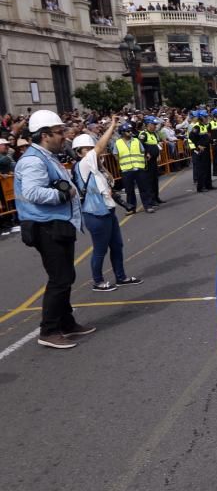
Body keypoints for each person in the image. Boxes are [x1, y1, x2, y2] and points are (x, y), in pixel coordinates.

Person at [14, 110, 95, 349]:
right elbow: (32, 192)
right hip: (45, 226)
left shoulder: (47, 156)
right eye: (59, 132)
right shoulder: (33, 160)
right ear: (45, 135)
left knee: (65, 276)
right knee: (60, 278)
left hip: (57, 223)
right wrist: (64, 193)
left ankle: (66, 323)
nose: (64, 136)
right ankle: (49, 330)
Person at [71, 121, 143, 292]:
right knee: (100, 249)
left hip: (107, 211)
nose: (91, 151)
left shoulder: (96, 168)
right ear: (79, 153)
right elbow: (100, 146)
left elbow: (107, 182)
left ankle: (121, 277)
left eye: (91, 148)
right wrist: (112, 125)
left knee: (117, 245)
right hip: (95, 214)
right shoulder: (83, 165)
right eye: (86, 149)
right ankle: (98, 281)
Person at [114, 123, 155, 214]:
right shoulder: (117, 143)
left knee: (144, 188)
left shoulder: (136, 140)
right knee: (129, 190)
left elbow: (143, 151)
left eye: (130, 130)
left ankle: (148, 206)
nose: (130, 132)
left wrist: (147, 155)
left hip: (139, 168)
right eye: (128, 131)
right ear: (122, 132)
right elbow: (116, 155)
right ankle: (131, 208)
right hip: (126, 170)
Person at [139, 116, 165, 205]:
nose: (155, 126)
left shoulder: (153, 134)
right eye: (153, 124)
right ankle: (151, 200)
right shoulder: (143, 134)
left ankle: (156, 197)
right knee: (149, 180)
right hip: (148, 161)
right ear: (148, 124)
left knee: (155, 179)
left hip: (154, 160)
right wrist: (146, 153)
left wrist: (158, 154)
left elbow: (156, 144)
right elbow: (140, 146)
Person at [187, 110, 214, 192]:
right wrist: (198, 146)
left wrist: (212, 141)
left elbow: (206, 138)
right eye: (205, 117)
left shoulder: (204, 126)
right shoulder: (197, 126)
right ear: (201, 118)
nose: (207, 118)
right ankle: (201, 187)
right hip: (200, 151)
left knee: (208, 168)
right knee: (201, 170)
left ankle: (208, 185)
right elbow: (191, 136)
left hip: (206, 150)